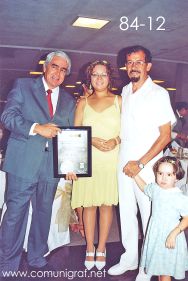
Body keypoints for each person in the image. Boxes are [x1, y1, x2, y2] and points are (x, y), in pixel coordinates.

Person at [0, 50, 76, 274]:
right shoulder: (23, 86)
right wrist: (36, 128)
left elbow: (70, 135)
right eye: (55, 66)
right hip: (23, 163)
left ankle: (36, 255)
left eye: (63, 70)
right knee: (15, 215)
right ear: (45, 66)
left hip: (51, 167)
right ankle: (7, 263)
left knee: (44, 214)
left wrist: (70, 162)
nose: (58, 73)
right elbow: (8, 117)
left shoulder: (69, 100)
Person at [108, 45, 176, 281]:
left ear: (148, 66)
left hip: (147, 166)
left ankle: (147, 266)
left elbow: (165, 136)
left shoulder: (158, 94)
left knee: (149, 217)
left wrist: (140, 163)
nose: (133, 66)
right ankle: (130, 258)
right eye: (129, 62)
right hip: (123, 162)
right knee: (126, 213)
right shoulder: (126, 91)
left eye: (138, 62)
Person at [69, 60, 121, 270]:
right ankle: (89, 246)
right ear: (89, 78)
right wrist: (91, 140)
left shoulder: (119, 100)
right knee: (89, 205)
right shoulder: (82, 102)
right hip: (88, 159)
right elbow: (75, 132)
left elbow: (129, 130)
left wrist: (116, 141)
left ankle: (102, 248)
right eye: (95, 75)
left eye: (103, 74)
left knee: (106, 205)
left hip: (111, 159)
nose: (99, 79)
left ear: (110, 77)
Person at [134, 156, 188, 281]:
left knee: (165, 272)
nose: (163, 178)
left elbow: (187, 218)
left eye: (169, 174)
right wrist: (134, 175)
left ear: (177, 176)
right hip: (156, 236)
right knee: (159, 269)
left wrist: (174, 233)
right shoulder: (155, 189)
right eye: (160, 173)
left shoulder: (179, 197)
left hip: (169, 236)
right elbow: (144, 188)